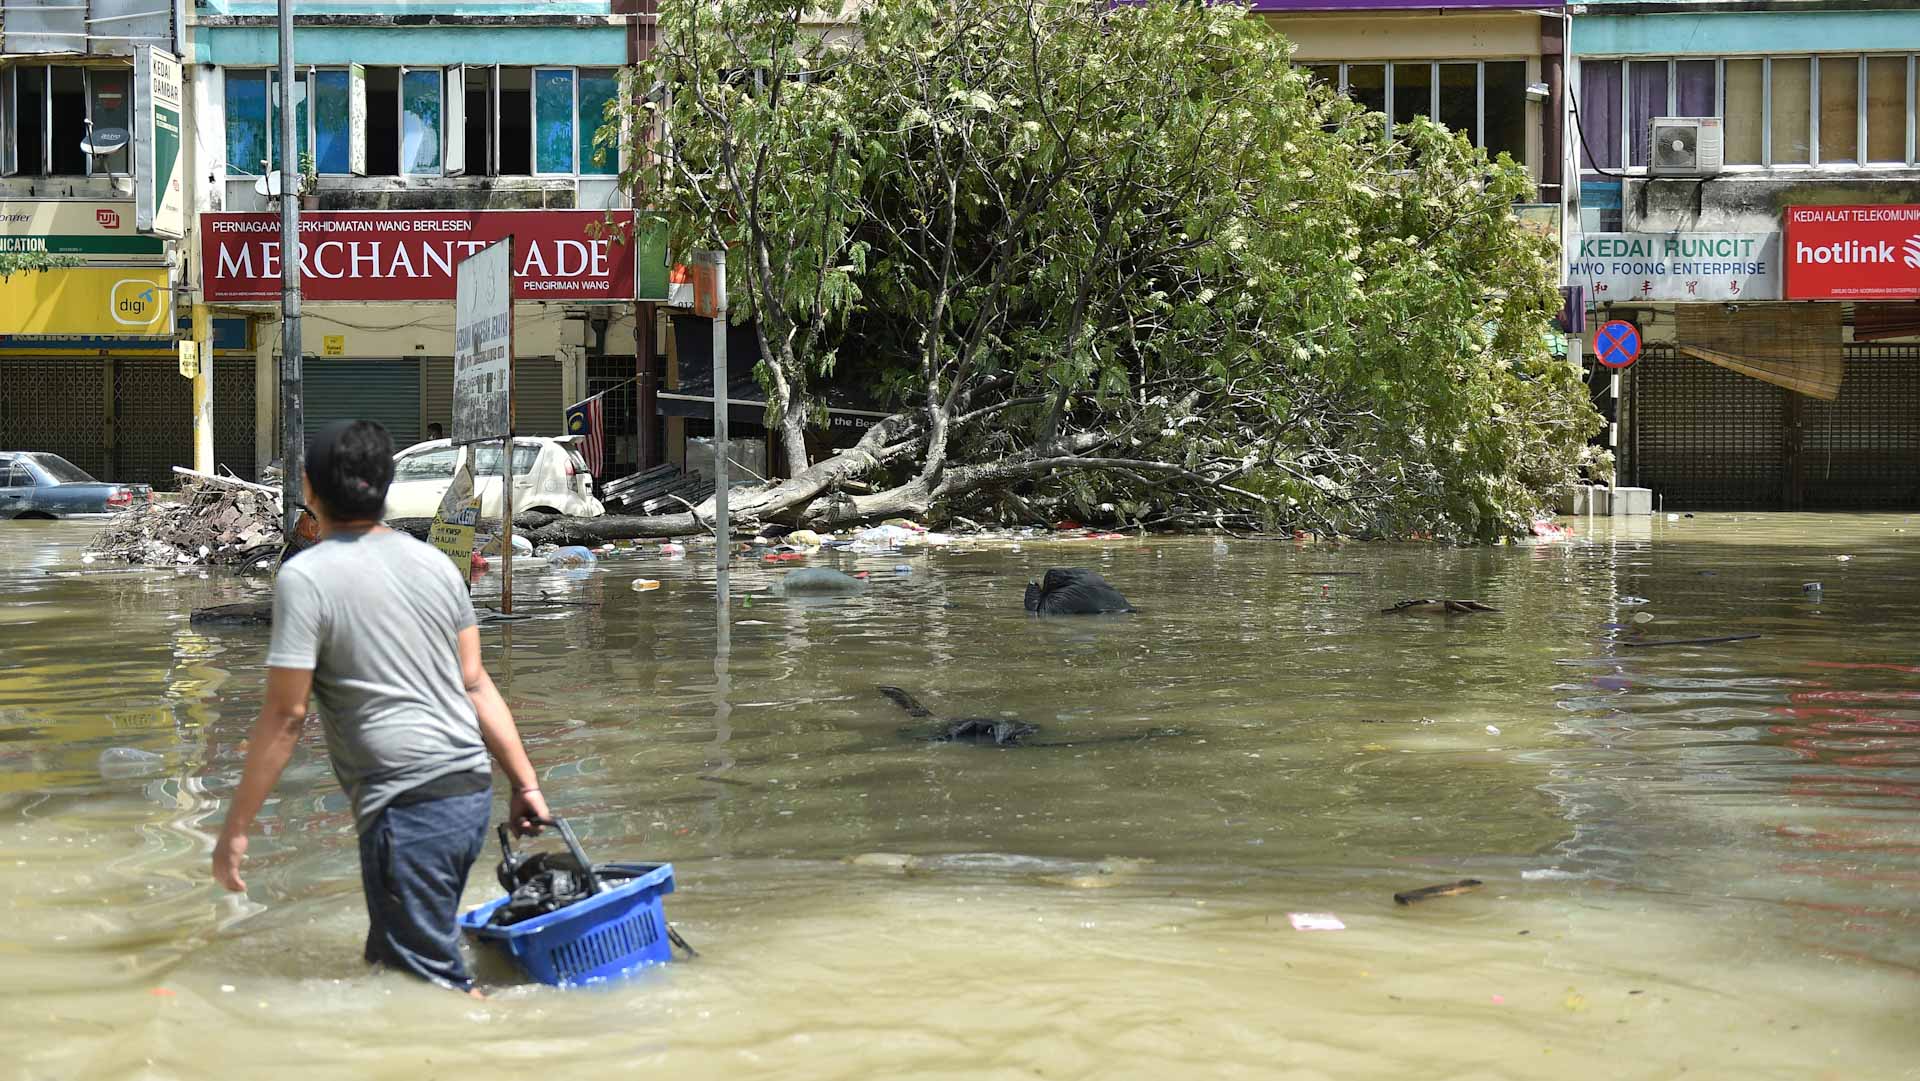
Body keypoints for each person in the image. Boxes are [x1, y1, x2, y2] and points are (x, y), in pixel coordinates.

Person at [212, 419, 549, 993]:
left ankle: (536, 1039)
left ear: (309, 491)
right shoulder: (435, 565)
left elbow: (286, 716)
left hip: (408, 805)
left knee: (432, 989)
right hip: (466, 792)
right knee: (390, 963)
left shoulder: (305, 577)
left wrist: (236, 828)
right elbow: (475, 684)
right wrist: (526, 784)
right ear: (386, 485)